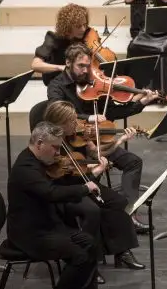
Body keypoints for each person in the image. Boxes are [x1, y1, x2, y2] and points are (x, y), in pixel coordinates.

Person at [7, 122, 108, 289]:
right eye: (54, 147)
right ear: (39, 143)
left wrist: (88, 176)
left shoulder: (39, 162)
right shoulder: (25, 168)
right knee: (79, 255)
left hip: (48, 226)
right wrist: (84, 189)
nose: (58, 152)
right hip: (30, 234)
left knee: (91, 244)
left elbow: (58, 184)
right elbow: (50, 193)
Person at [38, 101, 145, 266]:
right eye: (72, 121)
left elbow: (98, 154)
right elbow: (58, 176)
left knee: (119, 201)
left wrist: (120, 140)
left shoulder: (76, 136)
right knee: (93, 209)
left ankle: (122, 252)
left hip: (84, 180)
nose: (78, 124)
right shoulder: (51, 143)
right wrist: (94, 170)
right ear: (59, 124)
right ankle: (90, 261)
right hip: (66, 187)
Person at [46, 43, 161, 121]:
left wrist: (142, 102)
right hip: (71, 140)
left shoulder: (95, 84)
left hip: (98, 138)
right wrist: (89, 118)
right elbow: (56, 114)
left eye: (88, 66)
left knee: (133, 159)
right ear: (68, 63)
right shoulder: (56, 86)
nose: (85, 71)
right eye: (80, 66)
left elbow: (112, 112)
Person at [31, 3, 93, 87]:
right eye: (78, 26)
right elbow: (35, 64)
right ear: (68, 26)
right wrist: (60, 67)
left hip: (80, 78)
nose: (83, 29)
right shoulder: (53, 38)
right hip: (60, 82)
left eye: (85, 25)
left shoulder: (87, 34)